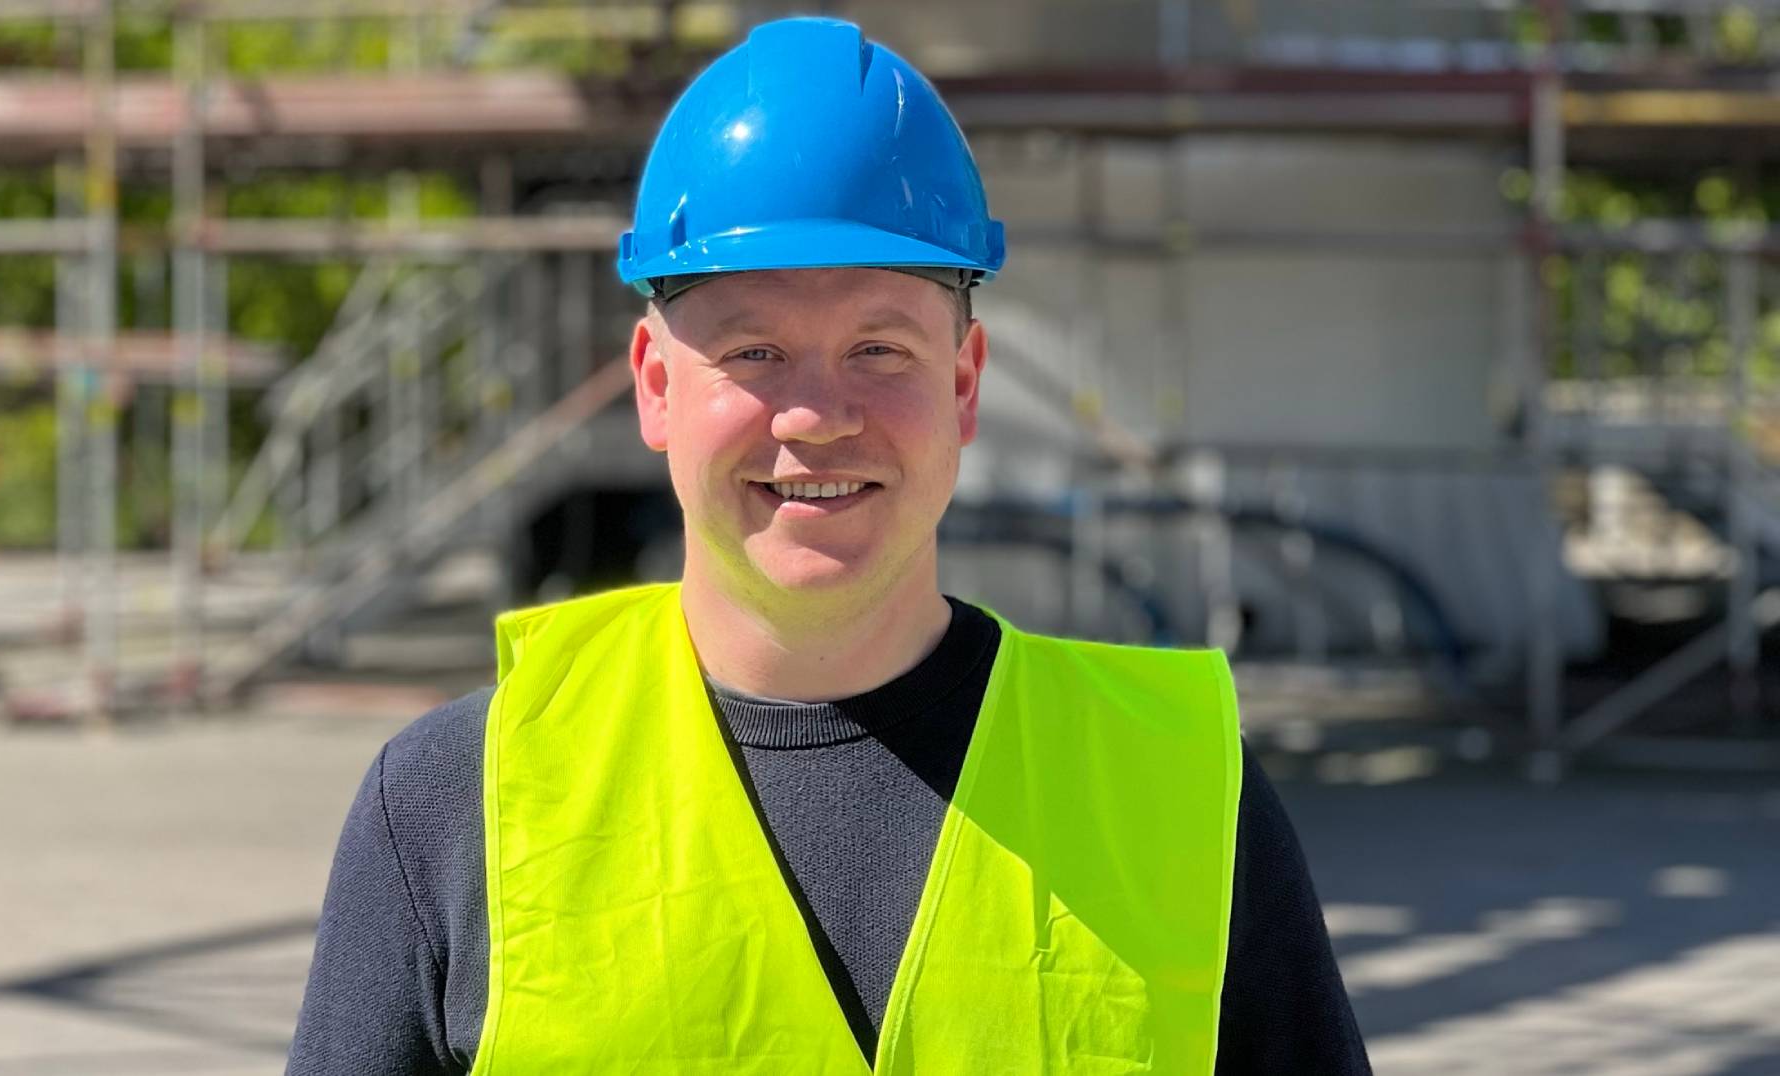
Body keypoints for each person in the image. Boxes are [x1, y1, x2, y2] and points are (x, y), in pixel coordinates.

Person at [287, 15, 1369, 1075]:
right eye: (753, 350)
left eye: (877, 348)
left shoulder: (1182, 789)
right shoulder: (454, 801)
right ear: (656, 386)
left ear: (962, 383)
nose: (816, 415)